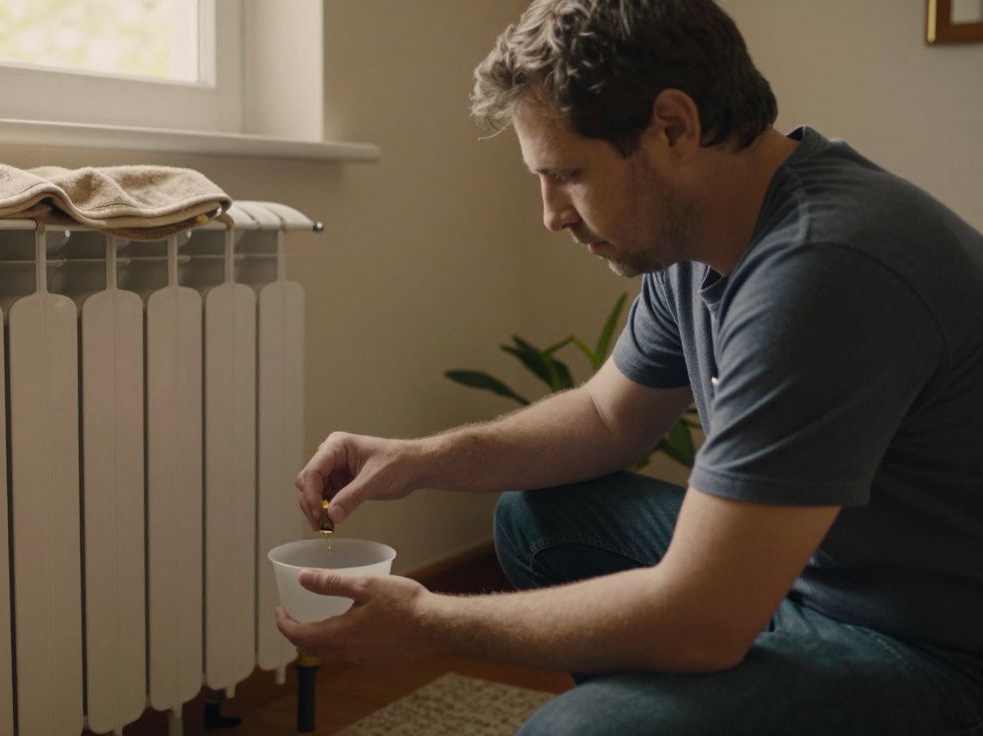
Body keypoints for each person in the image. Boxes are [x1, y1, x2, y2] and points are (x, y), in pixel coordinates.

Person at [274, 1, 983, 733]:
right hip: (804, 586)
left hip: (937, 654)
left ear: (673, 127)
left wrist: (429, 622)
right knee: (536, 519)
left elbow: (703, 620)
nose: (552, 214)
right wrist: (419, 460)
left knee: (576, 730)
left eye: (569, 174)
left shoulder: (823, 267)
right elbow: (606, 417)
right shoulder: (703, 234)